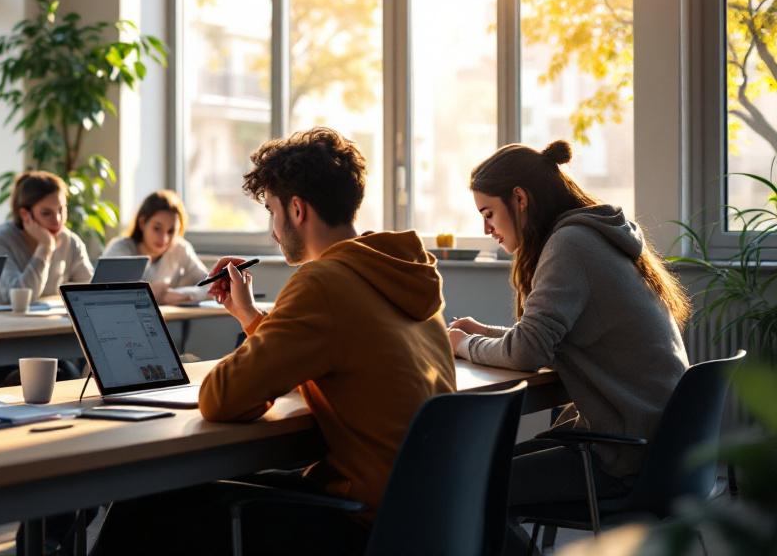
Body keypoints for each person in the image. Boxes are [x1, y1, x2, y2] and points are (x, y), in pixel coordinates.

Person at [94, 128, 457, 556]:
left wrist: (258, 356)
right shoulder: (401, 271)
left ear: (297, 210)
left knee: (144, 504)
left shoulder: (322, 282)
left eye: (271, 211)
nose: (272, 230)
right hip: (427, 516)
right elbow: (334, 350)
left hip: (363, 523)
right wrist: (250, 317)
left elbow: (222, 397)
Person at [447, 140, 690, 553]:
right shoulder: (595, 237)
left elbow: (528, 353)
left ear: (519, 198)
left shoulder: (570, 245)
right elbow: (551, 335)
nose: (487, 229)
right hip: (659, 445)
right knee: (481, 476)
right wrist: (482, 333)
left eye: (488, 214)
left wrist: (463, 343)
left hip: (624, 455)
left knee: (467, 490)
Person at [0, 171, 92, 303]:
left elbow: (91, 291)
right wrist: (45, 248)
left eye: (61, 210)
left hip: (52, 323)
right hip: (8, 322)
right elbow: (18, 299)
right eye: (46, 213)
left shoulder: (70, 241)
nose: (57, 220)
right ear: (25, 215)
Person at [102, 190, 209, 304]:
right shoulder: (119, 250)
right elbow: (112, 296)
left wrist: (179, 295)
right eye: (157, 228)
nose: (164, 239)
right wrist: (154, 295)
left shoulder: (180, 249)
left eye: (171, 231)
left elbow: (211, 285)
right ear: (142, 223)